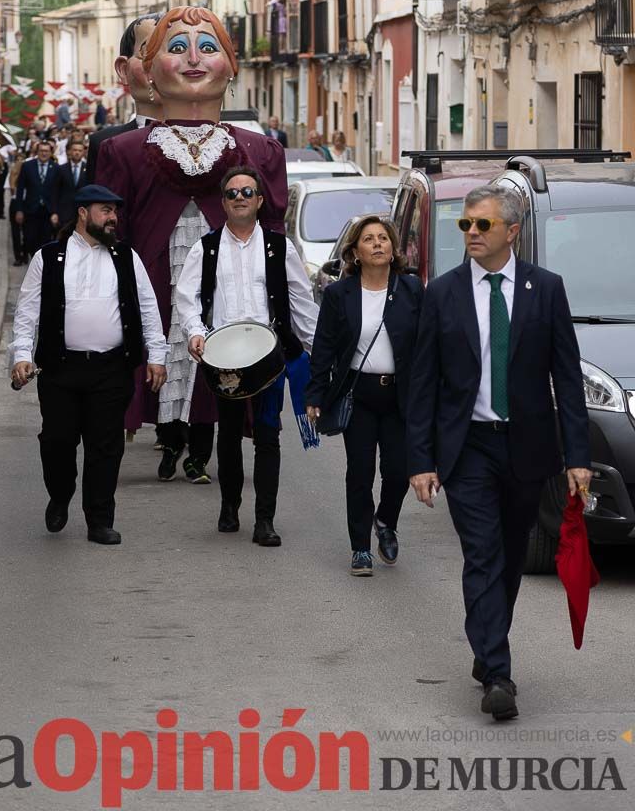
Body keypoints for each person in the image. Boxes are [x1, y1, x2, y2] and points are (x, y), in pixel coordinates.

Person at [406, 186, 592, 722]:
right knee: (483, 554)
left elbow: (566, 377)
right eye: (465, 225)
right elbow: (423, 383)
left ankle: (487, 641)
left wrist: (576, 454)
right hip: (468, 448)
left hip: (527, 445)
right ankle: (498, 673)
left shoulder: (546, 289)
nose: (471, 234)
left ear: (511, 232)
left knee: (510, 557)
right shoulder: (441, 294)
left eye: (482, 226)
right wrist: (421, 460)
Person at [97, 7, 288, 481]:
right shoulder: (120, 152)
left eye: (209, 47)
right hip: (151, 285)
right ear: (149, 67)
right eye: (176, 48)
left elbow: (275, 243)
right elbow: (109, 236)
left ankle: (207, 456)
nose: (194, 60)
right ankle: (167, 440)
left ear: (231, 64)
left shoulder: (261, 152)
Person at [11, 185, 168, 544]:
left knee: (106, 446)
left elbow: (148, 309)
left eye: (115, 211)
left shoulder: (127, 257)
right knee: (57, 442)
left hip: (111, 370)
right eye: (105, 210)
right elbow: (26, 313)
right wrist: (21, 355)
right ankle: (60, 494)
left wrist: (155, 356)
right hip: (60, 370)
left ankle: (99, 519)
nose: (113, 218)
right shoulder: (48, 257)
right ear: (83, 213)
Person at [177, 167, 318, 545]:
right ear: (223, 202)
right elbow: (187, 298)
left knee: (268, 435)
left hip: (269, 356)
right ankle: (229, 506)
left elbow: (302, 300)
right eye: (232, 193)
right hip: (224, 358)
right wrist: (194, 331)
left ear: (259, 200)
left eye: (247, 192)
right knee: (228, 435)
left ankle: (265, 520)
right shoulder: (204, 248)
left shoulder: (280, 246)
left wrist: (314, 349)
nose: (239, 198)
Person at [306, 217, 422, 575]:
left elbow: (428, 343)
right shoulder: (341, 293)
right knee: (360, 471)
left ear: (393, 248)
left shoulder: (412, 289)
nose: (377, 244)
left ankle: (385, 521)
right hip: (358, 395)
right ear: (355, 251)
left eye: (383, 238)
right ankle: (360, 548)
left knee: (399, 471)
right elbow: (323, 345)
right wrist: (316, 393)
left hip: (400, 395)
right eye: (368, 239)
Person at [85, 11, 165, 184]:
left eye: (176, 50)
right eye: (149, 51)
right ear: (123, 69)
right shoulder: (104, 144)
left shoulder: (224, 145)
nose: (165, 64)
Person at [15, 139, 59, 258]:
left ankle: (42, 264)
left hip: (47, 210)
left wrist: (55, 212)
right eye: (41, 151)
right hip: (31, 209)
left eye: (46, 151)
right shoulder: (27, 166)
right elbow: (20, 189)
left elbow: (57, 192)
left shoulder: (55, 168)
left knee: (45, 239)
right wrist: (19, 209)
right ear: (37, 152)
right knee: (30, 237)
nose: (44, 153)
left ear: (51, 153)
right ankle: (33, 257)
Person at [52, 139, 87, 230]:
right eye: (75, 150)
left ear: (83, 152)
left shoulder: (88, 169)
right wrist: (54, 212)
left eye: (79, 150)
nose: (77, 153)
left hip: (82, 213)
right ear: (70, 152)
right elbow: (55, 192)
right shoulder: (61, 169)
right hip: (64, 213)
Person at [8, 150, 27, 265]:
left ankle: (24, 253)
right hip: (15, 202)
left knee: (26, 231)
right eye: (18, 159)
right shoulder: (12, 173)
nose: (20, 162)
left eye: (22, 159)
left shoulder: (28, 172)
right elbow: (11, 190)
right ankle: (18, 256)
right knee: (16, 232)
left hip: (26, 202)